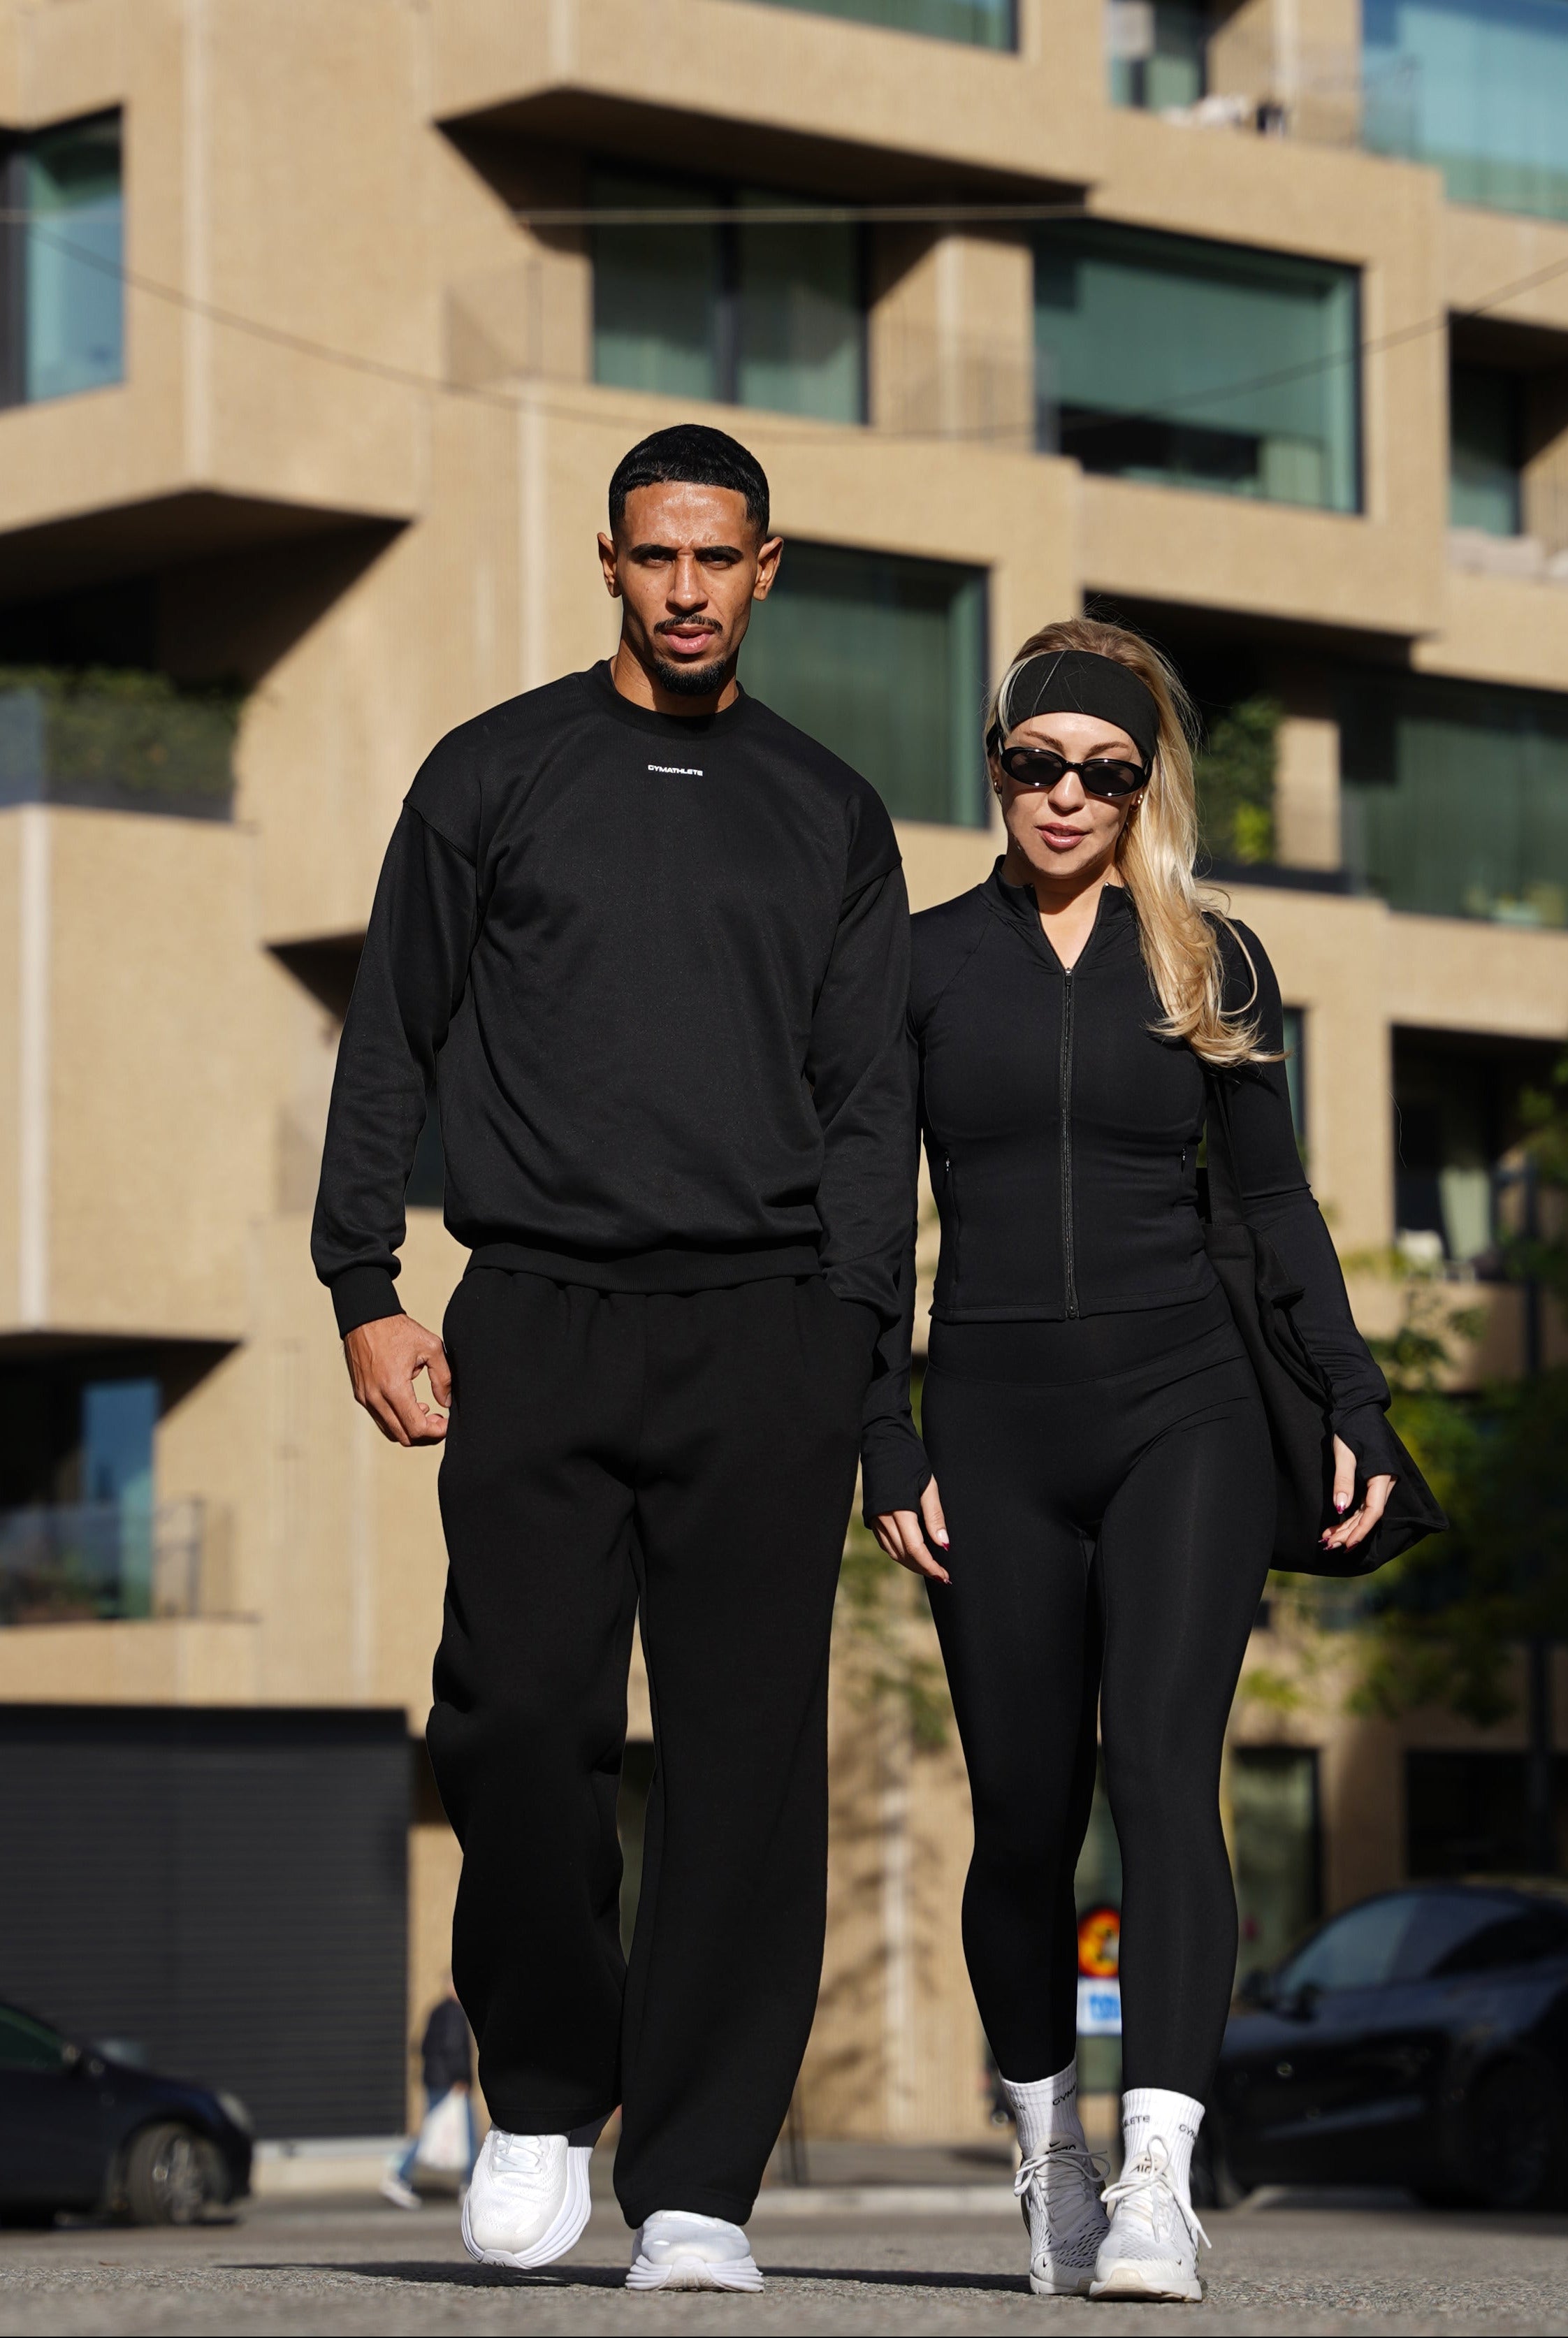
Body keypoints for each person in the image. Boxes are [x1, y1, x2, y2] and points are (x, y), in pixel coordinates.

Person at [313, 424, 913, 2291]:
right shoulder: (493, 774)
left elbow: (865, 1109)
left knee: (744, 1768)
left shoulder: (826, 811)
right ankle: (542, 2098)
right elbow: (388, 1038)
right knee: (511, 1725)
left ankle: (698, 2189)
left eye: (712, 558)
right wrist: (362, 1283)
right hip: (538, 1316)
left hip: (760, 1333)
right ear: (606, 563)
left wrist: (857, 1365)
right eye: (651, 556)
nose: (680, 589)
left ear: (764, 567)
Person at [862, 618, 1399, 2304]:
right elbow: (869, 1221)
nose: (1067, 795)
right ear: (999, 771)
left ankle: (1160, 2172)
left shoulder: (1208, 959)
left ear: (1140, 782)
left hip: (1187, 1410)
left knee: (1165, 1776)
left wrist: (1356, 1405)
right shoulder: (921, 962)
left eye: (1103, 769)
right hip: (992, 1427)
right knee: (1023, 1818)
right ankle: (1050, 2160)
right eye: (1036, 764)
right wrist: (883, 1432)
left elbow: (1271, 1203)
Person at [383, 1980, 477, 2209]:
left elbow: (423, 2046)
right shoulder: (454, 2013)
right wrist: (460, 2078)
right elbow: (453, 2047)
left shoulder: (437, 2011)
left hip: (436, 2081)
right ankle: (401, 2176)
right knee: (468, 2134)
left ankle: (401, 2176)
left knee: (432, 2131)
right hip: (451, 2084)